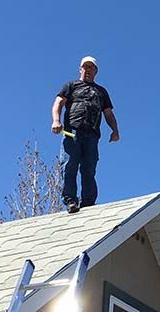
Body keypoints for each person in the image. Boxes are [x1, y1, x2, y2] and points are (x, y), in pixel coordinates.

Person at [51, 56, 120, 213]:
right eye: (85, 67)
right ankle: (70, 200)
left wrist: (115, 130)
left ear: (96, 71)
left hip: (92, 135)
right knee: (70, 165)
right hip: (72, 132)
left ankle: (88, 202)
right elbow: (58, 103)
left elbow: (108, 114)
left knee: (89, 168)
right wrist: (56, 120)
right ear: (80, 69)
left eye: (91, 68)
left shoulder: (101, 92)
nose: (88, 70)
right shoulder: (71, 86)